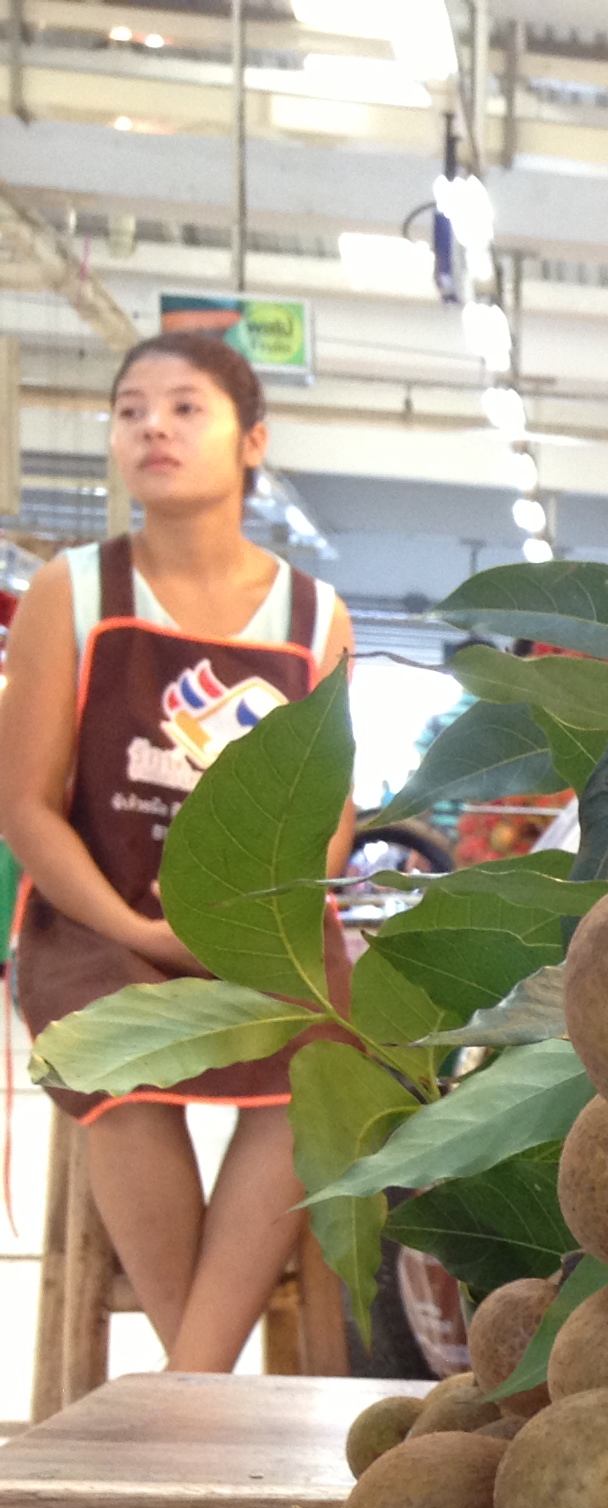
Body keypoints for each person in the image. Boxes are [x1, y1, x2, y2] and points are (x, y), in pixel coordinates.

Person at [0, 333, 353, 1373]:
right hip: (94, 918)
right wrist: (137, 928)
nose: (152, 426)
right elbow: (24, 807)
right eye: (130, 410)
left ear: (253, 440)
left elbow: (328, 813)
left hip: (258, 922)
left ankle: (188, 1388)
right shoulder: (74, 590)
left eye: (185, 406)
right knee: (119, 1058)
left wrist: (248, 919)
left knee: (323, 1054)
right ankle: (202, 1385)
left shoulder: (312, 615)